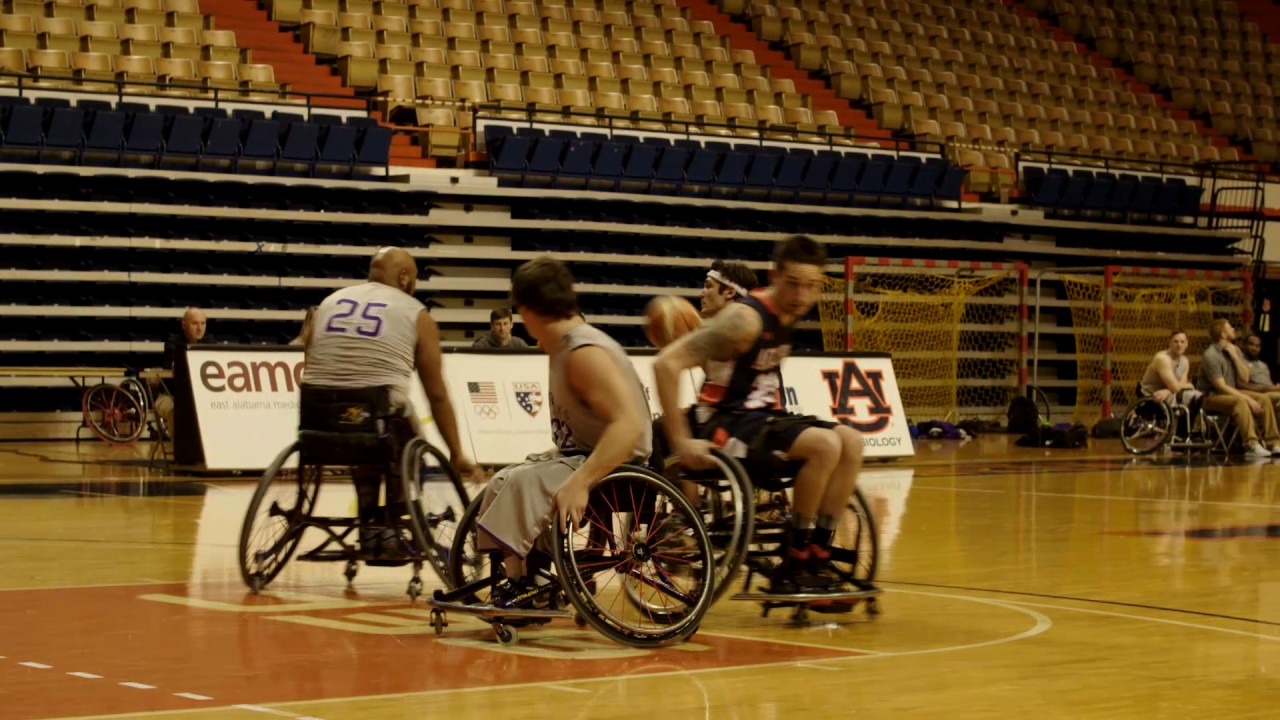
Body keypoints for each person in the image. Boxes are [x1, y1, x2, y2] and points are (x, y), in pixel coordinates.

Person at [654, 235, 867, 594]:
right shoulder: (745, 320)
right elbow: (666, 364)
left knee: (851, 440)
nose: (802, 295)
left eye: (811, 286)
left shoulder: (787, 313)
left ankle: (818, 550)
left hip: (760, 421)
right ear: (776, 276)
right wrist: (680, 440)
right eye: (795, 284)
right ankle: (796, 556)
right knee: (826, 446)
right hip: (723, 424)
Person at [475, 257, 651, 608]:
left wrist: (581, 481)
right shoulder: (565, 345)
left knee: (523, 483)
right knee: (503, 480)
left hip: (617, 464)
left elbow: (629, 426)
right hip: (583, 453)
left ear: (527, 310)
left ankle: (520, 581)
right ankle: (528, 576)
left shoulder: (583, 352)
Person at [304, 247, 481, 557]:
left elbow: (313, 362)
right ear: (403, 277)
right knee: (399, 429)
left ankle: (369, 519)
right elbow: (436, 394)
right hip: (377, 422)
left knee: (363, 424)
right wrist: (456, 453)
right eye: (413, 279)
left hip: (318, 421)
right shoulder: (415, 312)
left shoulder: (328, 303)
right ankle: (394, 521)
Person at [1195, 319, 1280, 459]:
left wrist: (1235, 357)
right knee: (1240, 402)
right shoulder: (1210, 355)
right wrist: (1246, 398)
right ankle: (1251, 444)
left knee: (1263, 399)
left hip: (1232, 391)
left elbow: (1245, 378)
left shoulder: (1235, 350)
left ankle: (1274, 442)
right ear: (1223, 334)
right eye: (1230, 327)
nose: (1234, 329)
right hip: (1211, 397)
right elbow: (1221, 387)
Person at [155, 308, 210, 433]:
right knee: (176, 411)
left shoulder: (210, 342)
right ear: (184, 325)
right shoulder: (173, 344)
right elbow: (173, 372)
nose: (200, 328)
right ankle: (179, 451)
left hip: (200, 397)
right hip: (170, 395)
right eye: (195, 323)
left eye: (203, 323)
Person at [1138, 329, 1200, 406]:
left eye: (1182, 342)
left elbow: (1181, 385)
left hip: (1167, 394)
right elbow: (1176, 387)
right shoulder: (1162, 358)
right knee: (1191, 396)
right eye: (1176, 341)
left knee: (1196, 397)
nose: (1179, 345)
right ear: (1169, 343)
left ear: (1186, 344)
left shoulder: (1185, 361)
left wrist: (1167, 391)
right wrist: (1189, 385)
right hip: (1151, 396)